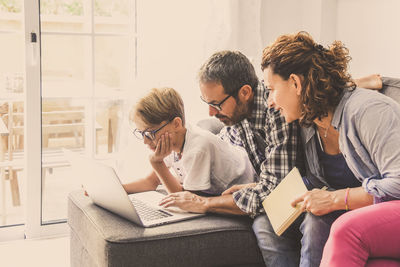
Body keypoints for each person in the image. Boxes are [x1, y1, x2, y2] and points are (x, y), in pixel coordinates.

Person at [261, 31, 400, 266]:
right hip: (380, 221)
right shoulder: (310, 122)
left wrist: (336, 199)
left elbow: (397, 184)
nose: (269, 101)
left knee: (346, 228)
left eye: (272, 89)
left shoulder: (369, 111)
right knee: (316, 222)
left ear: (295, 82)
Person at [123, 87, 256, 196]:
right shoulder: (171, 139)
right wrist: (119, 190)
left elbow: (187, 200)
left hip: (246, 187)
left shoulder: (197, 149)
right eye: (141, 133)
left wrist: (157, 163)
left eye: (150, 133)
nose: (146, 142)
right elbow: (150, 182)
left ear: (176, 124)